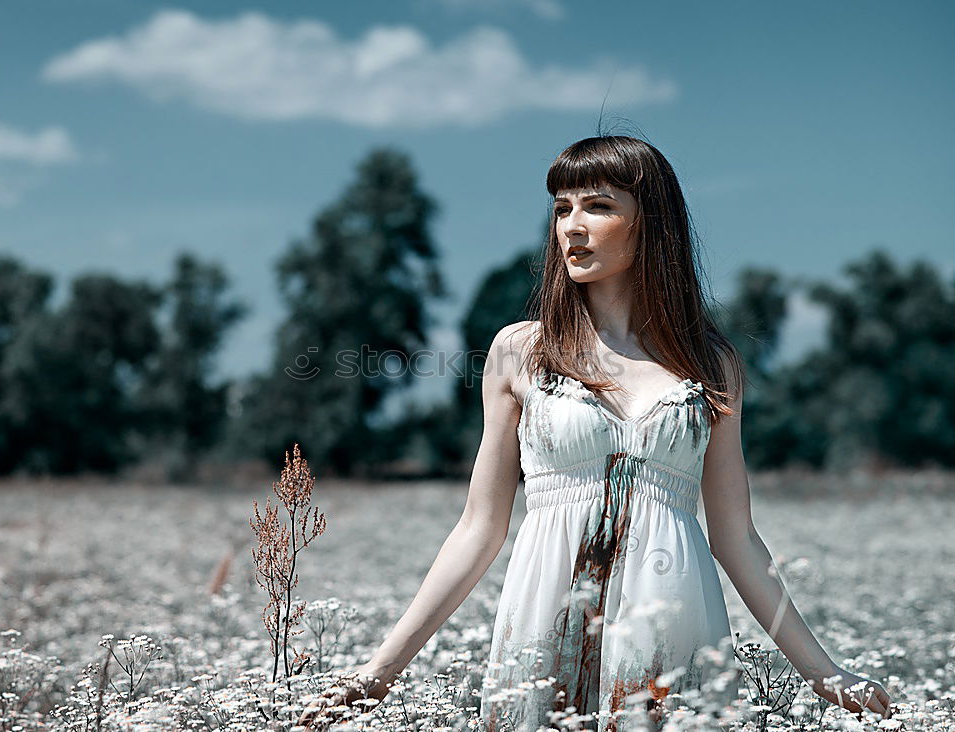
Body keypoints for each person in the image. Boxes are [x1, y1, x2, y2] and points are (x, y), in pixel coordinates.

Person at [298, 135, 892, 730]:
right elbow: (478, 529)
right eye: (562, 209)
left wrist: (828, 677)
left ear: (650, 224)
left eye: (598, 207)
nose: (571, 227)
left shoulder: (714, 368)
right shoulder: (520, 352)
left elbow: (736, 537)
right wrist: (376, 675)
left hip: (673, 624)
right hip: (547, 625)